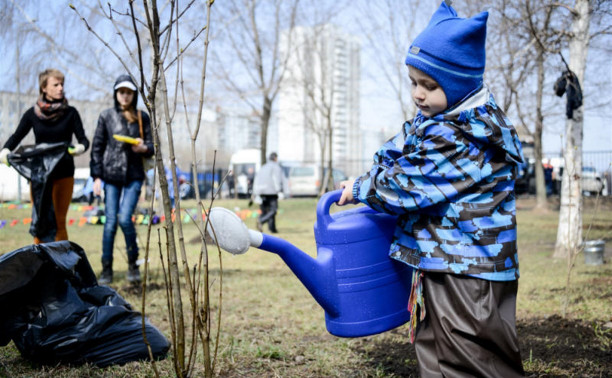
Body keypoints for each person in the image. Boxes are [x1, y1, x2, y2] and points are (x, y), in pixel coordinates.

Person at [338, 3, 525, 376]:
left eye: (430, 85)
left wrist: (362, 186)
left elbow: (405, 186)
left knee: (470, 353)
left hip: (469, 270)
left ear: (458, 85)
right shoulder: (440, 122)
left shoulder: (463, 137)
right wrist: (380, 163)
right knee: (435, 345)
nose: (418, 95)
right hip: (443, 260)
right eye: (413, 82)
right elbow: (403, 143)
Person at [0, 68, 89, 244]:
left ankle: (61, 266)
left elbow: (84, 139)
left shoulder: (71, 113)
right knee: (40, 221)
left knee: (59, 223)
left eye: (62, 84)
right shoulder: (32, 114)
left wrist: (80, 147)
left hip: (64, 174)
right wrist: (5, 150)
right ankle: (39, 265)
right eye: (56, 84)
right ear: (44, 88)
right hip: (40, 177)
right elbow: (16, 136)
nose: (61, 88)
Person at [90, 74, 154, 284]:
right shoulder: (106, 116)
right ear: (116, 93)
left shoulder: (142, 116)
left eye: (128, 92)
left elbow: (153, 146)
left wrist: (143, 148)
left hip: (134, 176)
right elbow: (97, 147)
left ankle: (133, 264)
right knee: (110, 223)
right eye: (121, 92)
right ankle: (106, 268)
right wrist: (96, 176)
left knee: (125, 219)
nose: (125, 96)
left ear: (133, 94)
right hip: (111, 175)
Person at [252, 152, 288, 233]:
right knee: (273, 210)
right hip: (271, 192)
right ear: (275, 158)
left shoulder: (263, 167)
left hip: (261, 191)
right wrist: (278, 190)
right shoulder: (275, 167)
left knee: (266, 211)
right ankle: (261, 220)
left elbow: (257, 179)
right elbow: (276, 178)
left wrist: (256, 192)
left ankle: (272, 228)